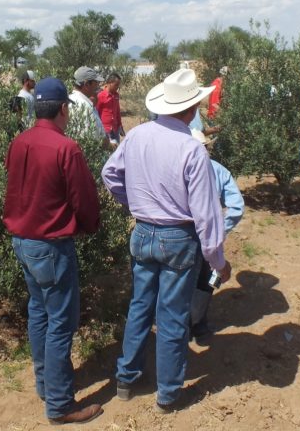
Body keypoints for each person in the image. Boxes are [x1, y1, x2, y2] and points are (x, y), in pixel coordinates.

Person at [102, 67, 232, 412]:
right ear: (191, 109)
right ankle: (168, 394)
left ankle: (127, 378)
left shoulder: (137, 135)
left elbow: (110, 173)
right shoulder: (192, 149)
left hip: (143, 231)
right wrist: (218, 261)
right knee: (173, 315)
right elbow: (206, 214)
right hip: (178, 238)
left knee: (140, 306)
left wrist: (134, 202)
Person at [2, 77, 102, 425]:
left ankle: (46, 383)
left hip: (23, 242)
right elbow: (84, 200)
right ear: (63, 109)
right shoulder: (66, 148)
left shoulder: (19, 142)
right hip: (51, 246)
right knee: (60, 322)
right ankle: (60, 405)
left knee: (39, 312)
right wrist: (91, 226)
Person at [189, 129, 244, 341]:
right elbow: (236, 208)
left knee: (182, 283)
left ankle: (183, 327)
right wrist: (220, 230)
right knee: (209, 279)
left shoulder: (179, 169)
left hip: (184, 237)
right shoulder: (218, 170)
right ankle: (199, 324)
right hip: (210, 238)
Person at [67, 66, 107, 146]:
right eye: (96, 82)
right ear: (87, 84)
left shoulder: (68, 99)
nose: (98, 86)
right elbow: (98, 138)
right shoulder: (86, 107)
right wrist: (111, 146)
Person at [96, 73, 125, 145]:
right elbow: (97, 113)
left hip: (115, 129)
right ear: (109, 83)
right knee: (107, 152)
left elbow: (117, 112)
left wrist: (120, 126)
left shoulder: (116, 95)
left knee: (116, 150)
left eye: (118, 85)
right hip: (105, 130)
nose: (117, 87)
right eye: (116, 85)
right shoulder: (101, 96)